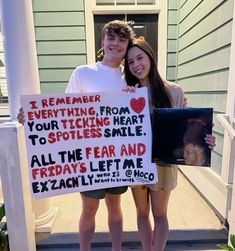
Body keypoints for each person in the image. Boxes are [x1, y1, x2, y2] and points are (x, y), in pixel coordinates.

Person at [18, 20, 135, 251]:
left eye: (122, 40)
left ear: (127, 46)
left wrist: (175, 96)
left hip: (119, 157)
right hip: (89, 155)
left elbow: (153, 94)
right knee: (89, 209)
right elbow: (65, 111)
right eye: (111, 38)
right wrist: (33, 116)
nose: (116, 44)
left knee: (115, 205)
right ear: (103, 41)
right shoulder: (83, 73)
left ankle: (117, 248)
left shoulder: (131, 77)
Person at [123, 38, 216, 251]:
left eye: (140, 58)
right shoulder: (126, 93)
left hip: (164, 163)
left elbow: (187, 127)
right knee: (141, 212)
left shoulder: (174, 91)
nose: (136, 64)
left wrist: (205, 140)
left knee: (160, 214)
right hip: (136, 161)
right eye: (130, 62)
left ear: (150, 57)